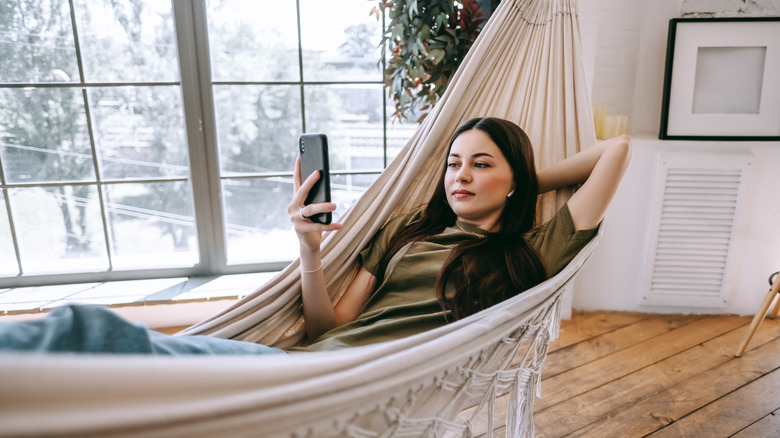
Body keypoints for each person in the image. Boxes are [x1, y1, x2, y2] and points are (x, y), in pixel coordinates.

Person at [0, 117, 630, 355]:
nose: (459, 175)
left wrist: (525, 179)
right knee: (86, 336)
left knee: (87, 340)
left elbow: (617, 150)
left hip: (363, 380)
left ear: (515, 177)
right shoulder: (403, 231)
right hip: (306, 364)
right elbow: (330, 327)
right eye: (453, 163)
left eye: (481, 163)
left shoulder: (533, 251)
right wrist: (308, 249)